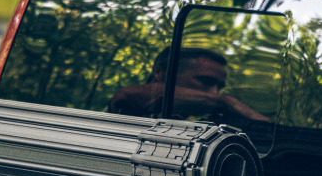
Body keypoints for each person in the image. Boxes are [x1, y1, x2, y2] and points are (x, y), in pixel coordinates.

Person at [108, 45, 269, 125]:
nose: (214, 93)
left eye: (219, 88)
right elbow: (128, 95)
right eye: (205, 81)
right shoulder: (132, 106)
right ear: (159, 73)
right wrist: (226, 103)